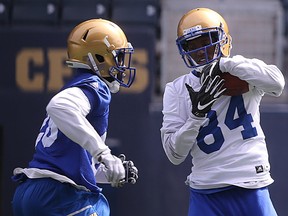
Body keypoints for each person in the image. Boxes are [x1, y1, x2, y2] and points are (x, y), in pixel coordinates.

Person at [160, 8, 285, 216]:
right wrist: (195, 116)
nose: (200, 51)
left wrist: (227, 64)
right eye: (193, 45)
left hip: (251, 184)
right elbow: (174, 154)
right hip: (206, 189)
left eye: (206, 41)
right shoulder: (177, 89)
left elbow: (277, 83)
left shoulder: (241, 69)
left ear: (223, 40)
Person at [12, 19, 138, 216]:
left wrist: (108, 170)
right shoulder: (95, 85)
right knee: (101, 207)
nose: (122, 65)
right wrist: (104, 153)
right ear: (99, 57)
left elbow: (74, 164)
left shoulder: (77, 87)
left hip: (33, 192)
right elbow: (59, 106)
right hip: (57, 195)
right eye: (118, 57)